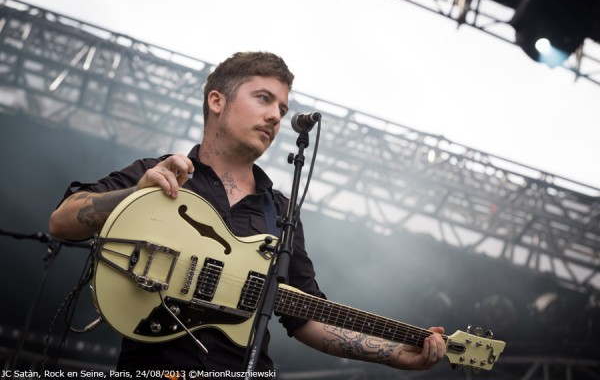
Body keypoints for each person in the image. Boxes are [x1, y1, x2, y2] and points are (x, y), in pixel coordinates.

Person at [49, 51, 446, 375]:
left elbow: (304, 314)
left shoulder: (281, 213)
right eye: (263, 98)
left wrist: (392, 354)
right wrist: (135, 195)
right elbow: (62, 221)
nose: (276, 116)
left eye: (283, 106)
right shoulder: (159, 173)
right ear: (217, 100)